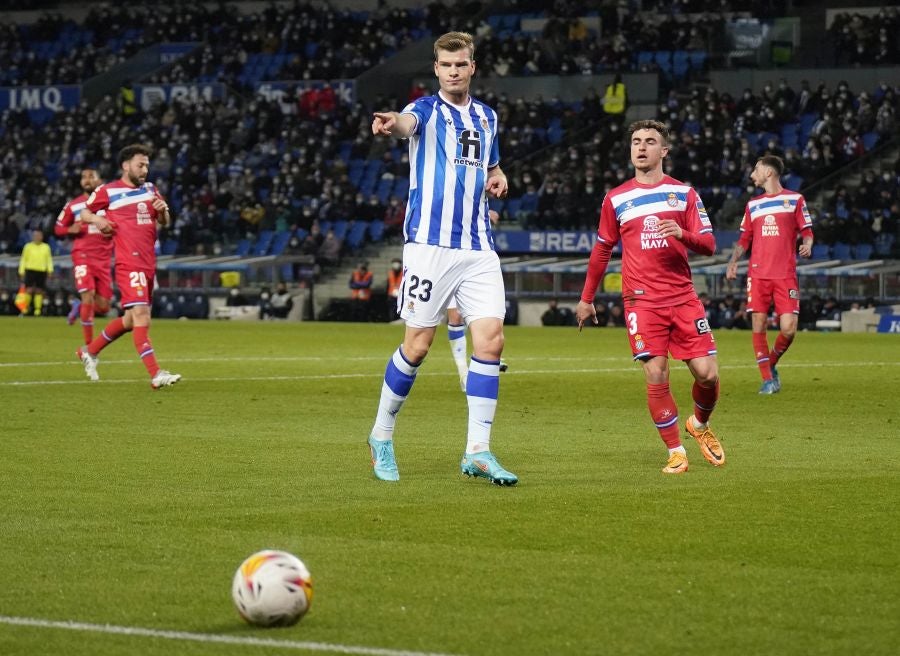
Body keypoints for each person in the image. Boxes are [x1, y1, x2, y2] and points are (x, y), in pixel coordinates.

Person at [367, 31, 516, 485]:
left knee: (490, 342)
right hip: (428, 247)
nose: (454, 71)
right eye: (446, 65)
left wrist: (498, 176)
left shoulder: (487, 117)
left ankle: (478, 451)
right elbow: (406, 125)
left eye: (461, 64)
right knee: (417, 346)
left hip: (477, 247)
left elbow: (490, 164)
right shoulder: (425, 109)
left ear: (472, 67)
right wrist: (392, 123)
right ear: (436, 69)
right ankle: (381, 435)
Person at [575, 119, 725, 475]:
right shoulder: (616, 198)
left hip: (683, 297)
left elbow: (709, 243)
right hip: (641, 302)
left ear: (664, 151)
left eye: (650, 141)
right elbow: (601, 250)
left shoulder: (685, 194)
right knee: (656, 373)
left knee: (707, 375)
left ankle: (699, 426)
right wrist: (586, 297)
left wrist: (682, 232)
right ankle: (676, 452)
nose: (641, 147)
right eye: (636, 142)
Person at [75, 143, 181, 389]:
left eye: (146, 165)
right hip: (129, 261)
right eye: (140, 165)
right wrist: (99, 219)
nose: (144, 169)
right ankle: (156, 374)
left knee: (131, 320)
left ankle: (90, 351)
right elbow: (85, 214)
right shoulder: (109, 191)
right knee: (143, 315)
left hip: (148, 262)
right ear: (126, 166)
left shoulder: (151, 189)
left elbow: (165, 221)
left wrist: (163, 210)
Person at [726, 155, 814, 394]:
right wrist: (733, 262)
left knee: (789, 328)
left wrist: (808, 244)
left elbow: (807, 230)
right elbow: (744, 239)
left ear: (769, 172)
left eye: (756, 169)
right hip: (758, 274)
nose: (753, 174)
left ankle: (771, 362)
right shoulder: (753, 205)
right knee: (759, 322)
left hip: (785, 274)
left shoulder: (795, 200)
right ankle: (767, 379)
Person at [54, 168, 114, 344]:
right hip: (82, 255)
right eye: (84, 177)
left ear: (99, 180)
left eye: (91, 177)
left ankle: (78, 306)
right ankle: (89, 347)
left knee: (103, 307)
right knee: (88, 295)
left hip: (103, 258)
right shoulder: (73, 205)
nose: (87, 180)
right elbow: (58, 228)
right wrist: (70, 229)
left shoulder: (110, 202)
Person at [17, 228, 53, 316]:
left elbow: (49, 259)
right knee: (28, 290)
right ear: (33, 237)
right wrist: (21, 270)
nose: (37, 237)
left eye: (39, 235)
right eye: (35, 235)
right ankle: (25, 309)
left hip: (41, 270)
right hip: (30, 270)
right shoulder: (28, 246)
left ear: (42, 237)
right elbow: (23, 259)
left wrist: (50, 270)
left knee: (39, 291)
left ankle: (38, 310)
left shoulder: (46, 247)